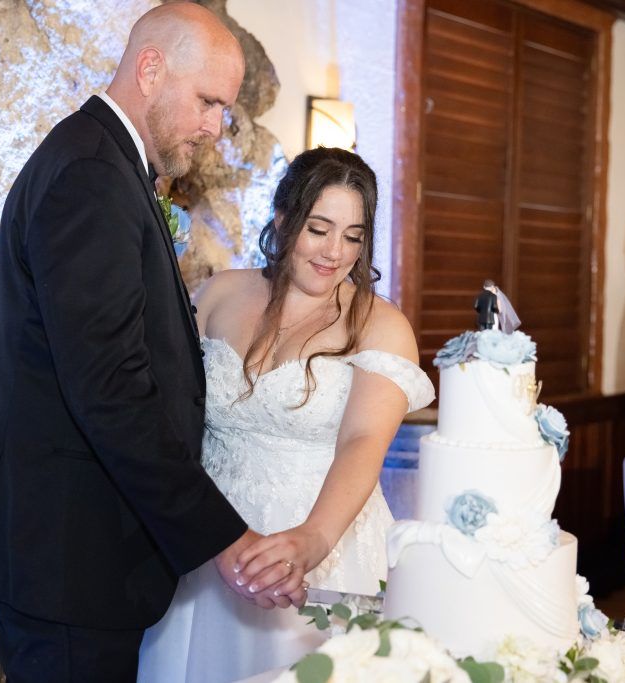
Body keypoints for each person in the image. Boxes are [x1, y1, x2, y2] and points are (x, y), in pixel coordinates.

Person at [0, 5, 305, 682]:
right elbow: (111, 387)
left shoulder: (102, 163)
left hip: (78, 555)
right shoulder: (91, 175)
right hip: (68, 559)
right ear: (150, 69)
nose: (214, 128)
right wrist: (225, 538)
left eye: (224, 110)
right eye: (207, 102)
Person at [137, 147, 436, 682]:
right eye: (319, 229)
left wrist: (312, 540)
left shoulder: (380, 324)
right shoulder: (221, 293)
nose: (335, 252)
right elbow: (173, 415)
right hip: (210, 538)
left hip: (323, 538)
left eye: (353, 235)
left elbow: (363, 440)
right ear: (282, 219)